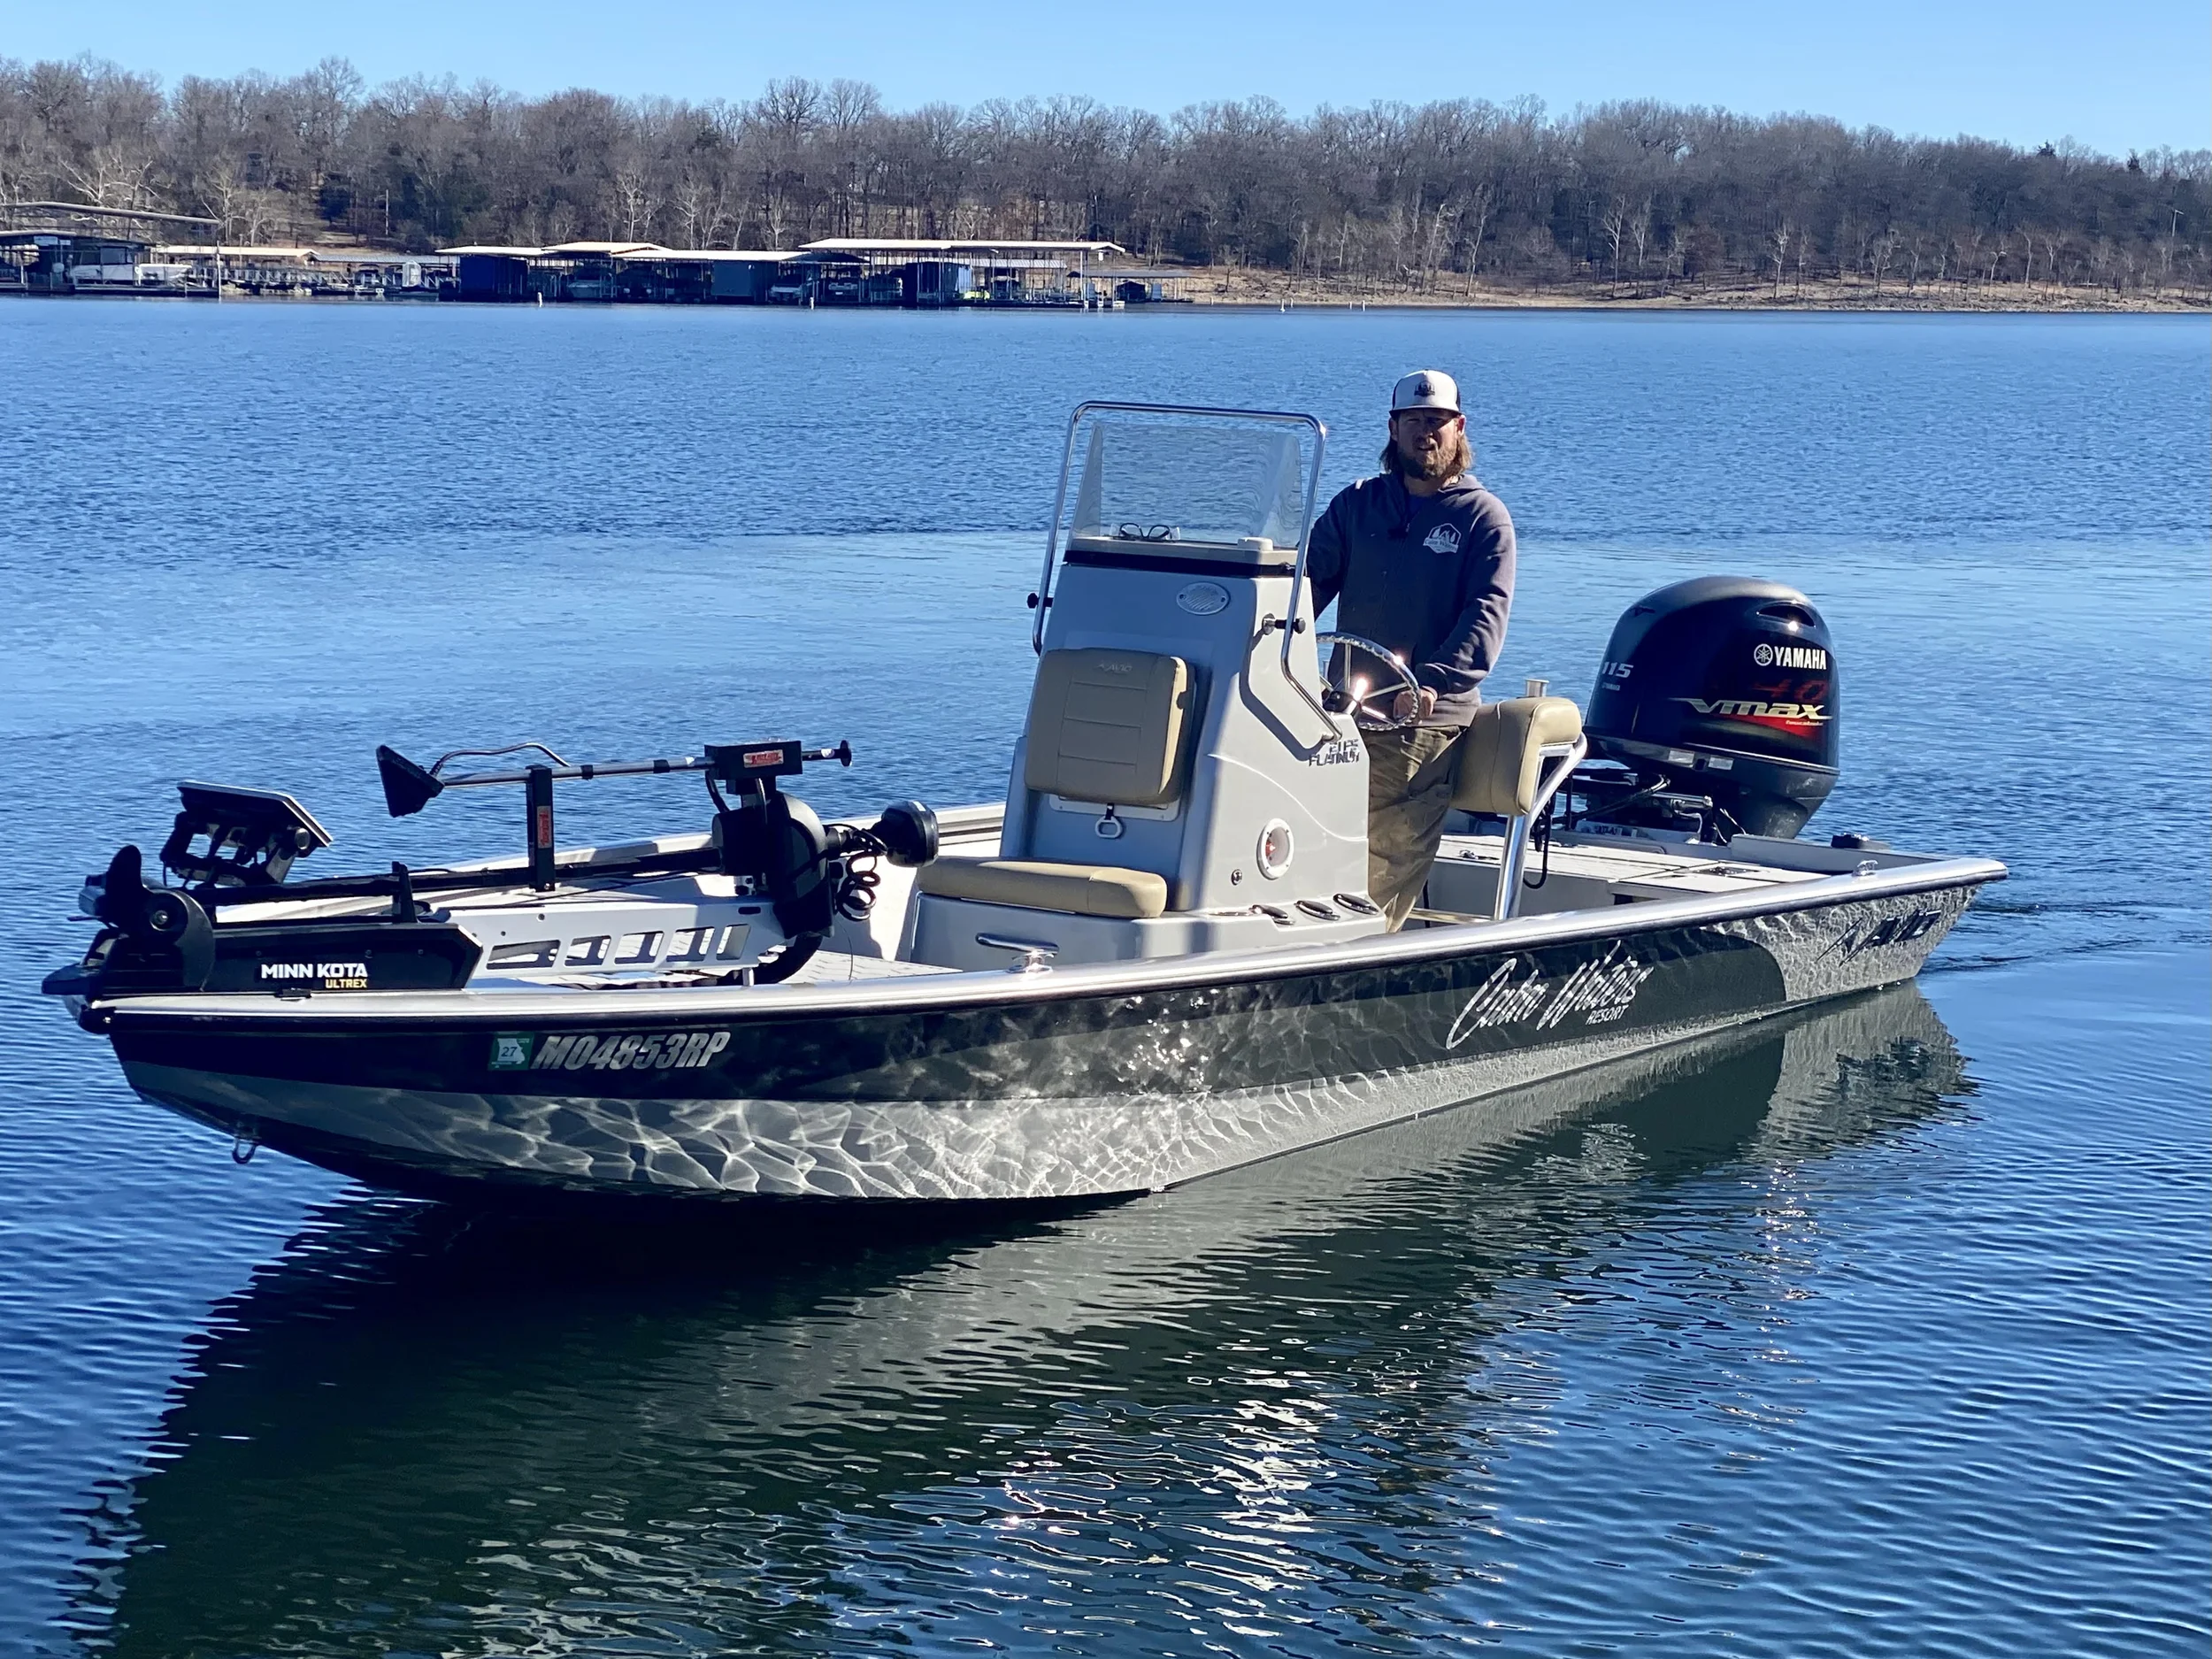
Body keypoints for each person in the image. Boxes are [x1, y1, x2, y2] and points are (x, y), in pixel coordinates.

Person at [1306, 369, 1517, 930]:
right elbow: (1302, 587)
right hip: (1342, 712)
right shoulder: (1357, 505)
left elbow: (1485, 617)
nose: (1427, 433)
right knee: (1304, 834)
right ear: (1394, 428)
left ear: (1459, 429)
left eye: (1438, 423)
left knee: (1382, 856)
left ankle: (1357, 961)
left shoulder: (1483, 518)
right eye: (1415, 421)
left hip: (1421, 723)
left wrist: (1432, 683)